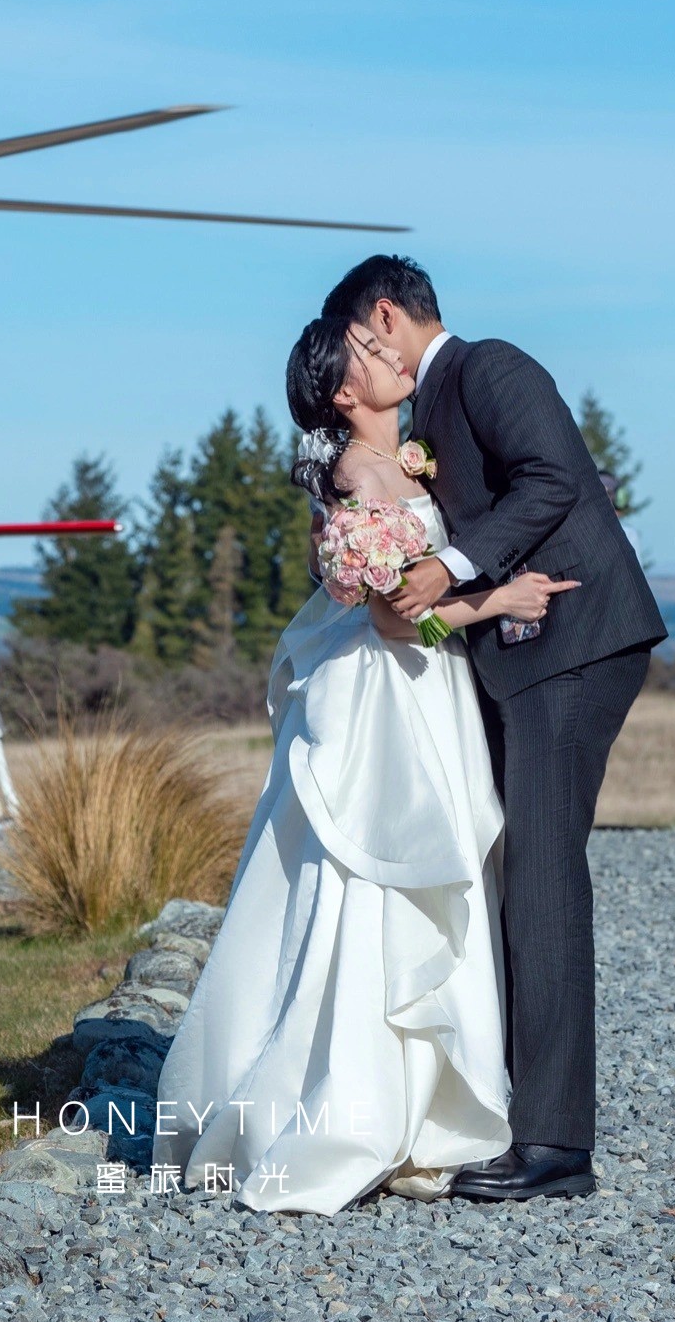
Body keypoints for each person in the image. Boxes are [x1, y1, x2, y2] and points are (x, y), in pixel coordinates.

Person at [151, 315, 574, 1213]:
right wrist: (500, 596)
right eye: (371, 354)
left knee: (430, 874)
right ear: (344, 393)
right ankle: (360, 1108)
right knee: (382, 875)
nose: (391, 356)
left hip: (429, 688)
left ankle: (425, 1108)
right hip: (390, 691)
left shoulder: (405, 458)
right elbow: (392, 617)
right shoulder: (360, 471)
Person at [326, 254, 667, 1203]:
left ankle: (557, 1145)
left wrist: (456, 567)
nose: (363, 356)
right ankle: (525, 1113)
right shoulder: (424, 410)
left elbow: (556, 479)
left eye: (359, 339)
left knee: (545, 876)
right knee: (516, 871)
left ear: (384, 317)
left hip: (575, 643)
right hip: (516, 655)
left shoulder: (493, 369)